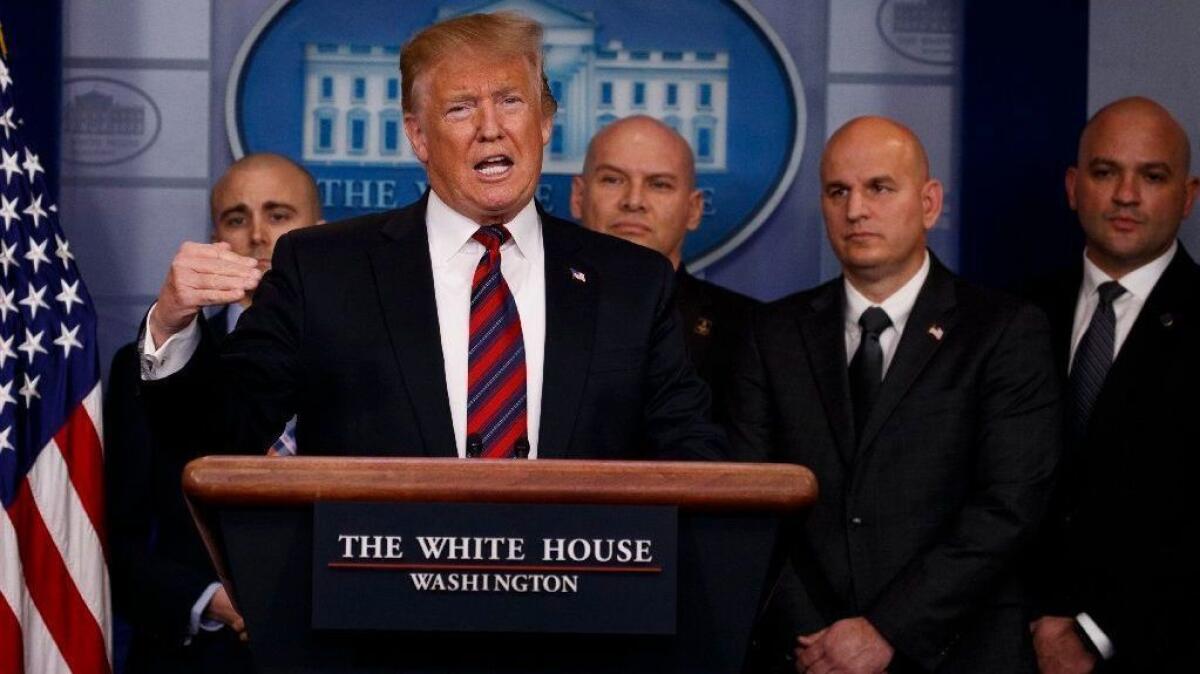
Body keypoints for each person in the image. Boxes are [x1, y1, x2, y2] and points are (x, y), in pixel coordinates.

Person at [136, 12, 724, 464]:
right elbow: (221, 435)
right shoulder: (324, 269)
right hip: (380, 607)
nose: (491, 128)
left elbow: (694, 462)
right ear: (418, 136)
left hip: (576, 609)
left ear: (545, 122)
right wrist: (171, 327)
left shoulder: (631, 281)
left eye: (511, 102)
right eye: (461, 108)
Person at [728, 116, 1060, 673]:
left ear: (929, 203)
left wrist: (886, 631)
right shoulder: (773, 334)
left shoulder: (1004, 332)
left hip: (956, 652)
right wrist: (809, 632)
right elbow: (747, 498)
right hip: (807, 656)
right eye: (838, 191)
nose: (856, 209)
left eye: (879, 188)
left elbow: (1009, 507)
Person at [105, 152, 323, 673]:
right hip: (200, 658)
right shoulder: (151, 360)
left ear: (320, 232)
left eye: (278, 215)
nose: (256, 235)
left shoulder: (368, 351)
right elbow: (110, 537)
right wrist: (210, 601)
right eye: (235, 218)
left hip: (334, 645)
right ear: (215, 237)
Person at [1026, 96, 1199, 672]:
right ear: (1074, 186)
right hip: (1005, 646)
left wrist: (1096, 633)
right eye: (1105, 173)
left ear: (1189, 196)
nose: (1126, 195)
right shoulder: (1014, 315)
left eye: (1153, 176)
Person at [571, 115, 757, 421]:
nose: (633, 201)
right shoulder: (530, 310)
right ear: (578, 196)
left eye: (659, 185)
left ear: (694, 209)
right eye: (613, 180)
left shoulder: (750, 332)